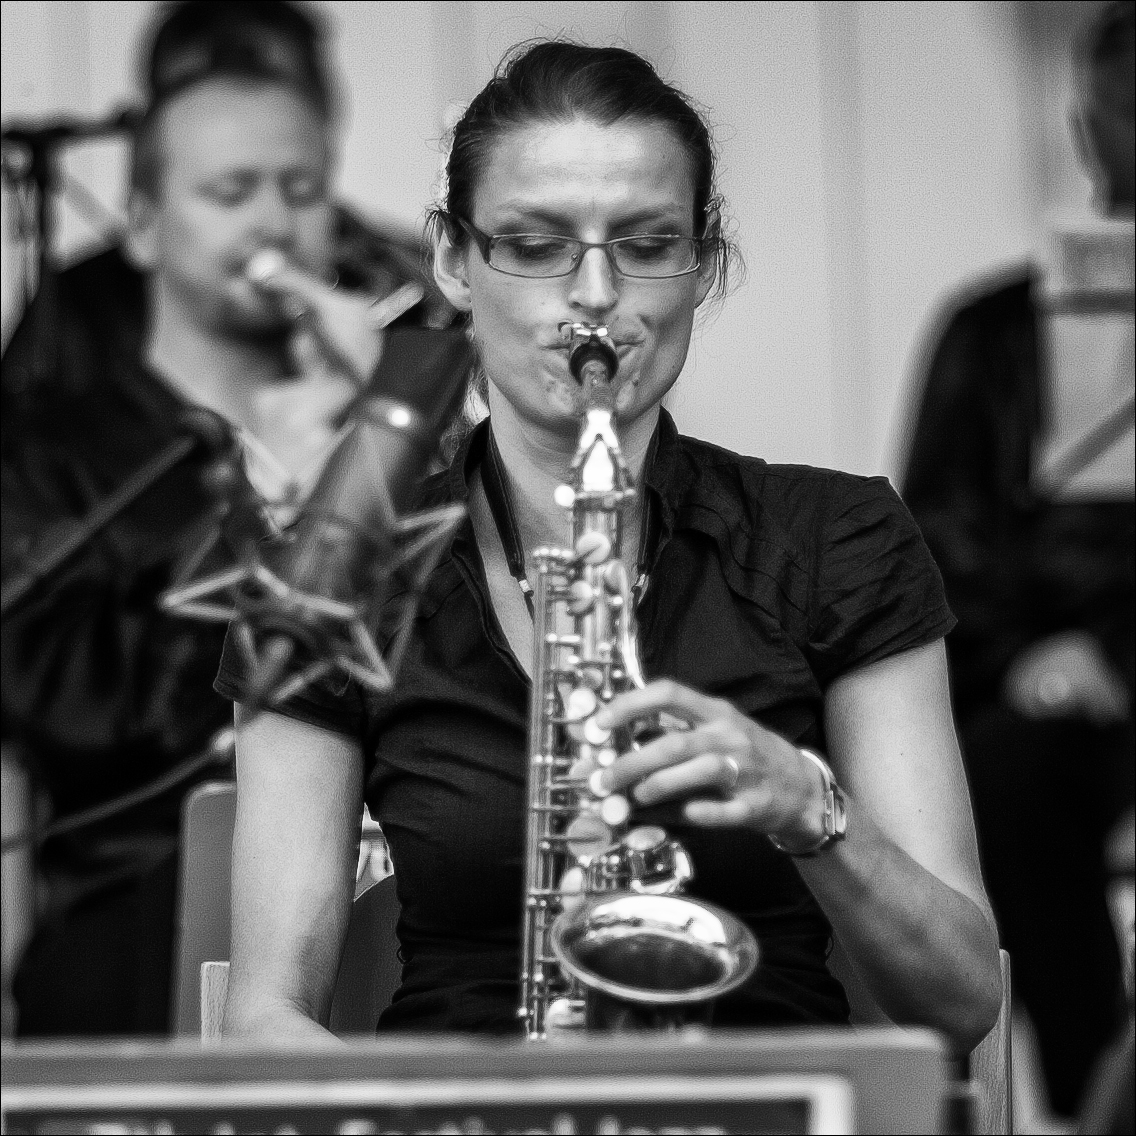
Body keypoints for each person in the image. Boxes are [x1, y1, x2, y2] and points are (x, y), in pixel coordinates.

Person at [217, 39, 1003, 1051]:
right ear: (453, 261)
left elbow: (960, 996)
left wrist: (811, 809)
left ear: (703, 261)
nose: (594, 293)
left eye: (644, 240)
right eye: (535, 243)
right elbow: (263, 1013)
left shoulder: (837, 539)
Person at [0, 0, 445, 1037]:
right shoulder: (46, 437)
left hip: (385, 879)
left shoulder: (384, 404)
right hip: (134, 895)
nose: (273, 224)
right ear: (145, 224)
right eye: (230, 191)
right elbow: (80, 719)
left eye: (299, 189)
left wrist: (394, 420)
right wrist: (266, 510)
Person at [900, 1, 1134, 1116]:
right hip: (1045, 696)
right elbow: (935, 529)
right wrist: (1042, 649)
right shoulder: (992, 329)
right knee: (1003, 767)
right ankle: (1102, 1091)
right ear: (1087, 128)